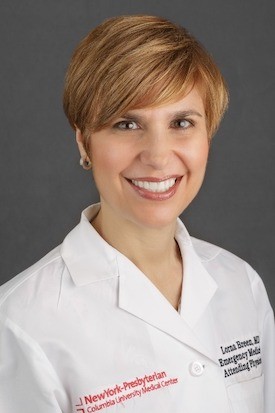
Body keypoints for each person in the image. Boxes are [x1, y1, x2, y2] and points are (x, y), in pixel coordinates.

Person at [0, 15, 274, 413]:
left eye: (182, 122)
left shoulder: (240, 284)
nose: (159, 156)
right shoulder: (19, 321)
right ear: (84, 142)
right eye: (127, 123)